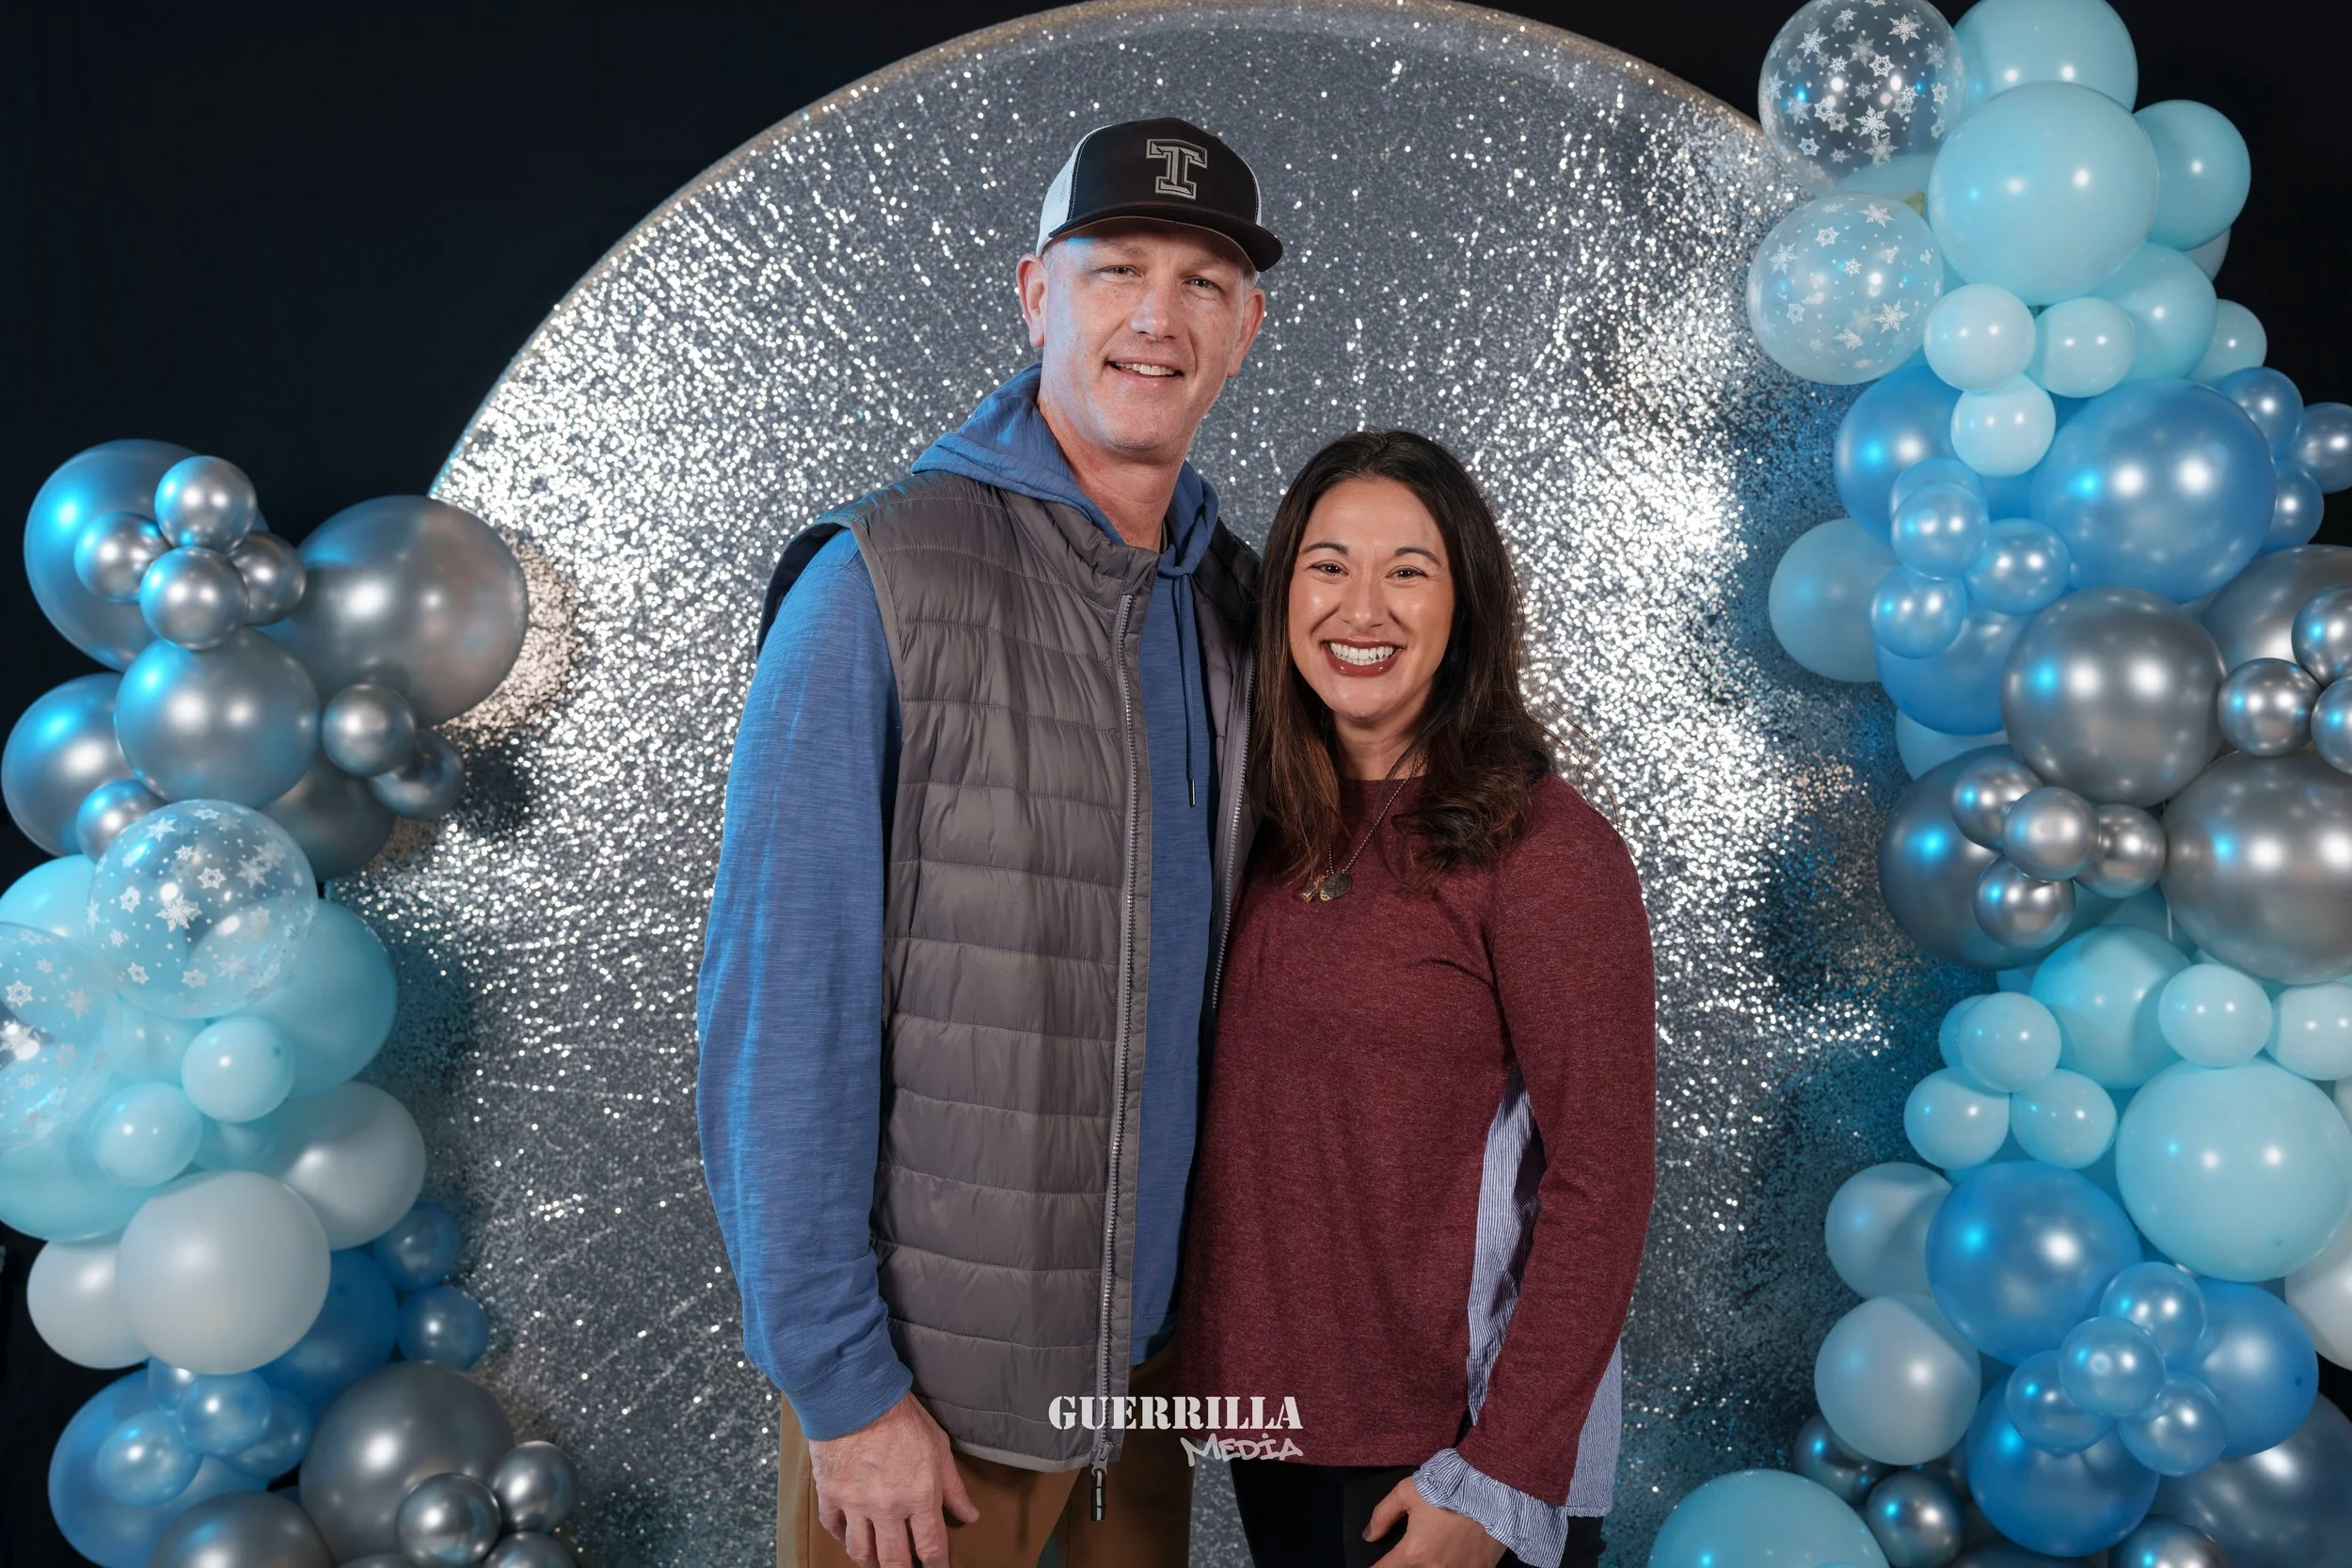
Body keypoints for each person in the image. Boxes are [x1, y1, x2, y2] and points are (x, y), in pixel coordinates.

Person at [694, 116, 1281, 1568]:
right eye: (1118, 270)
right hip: (924, 1422)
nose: (1159, 316)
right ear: (1036, 294)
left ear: (1248, 325)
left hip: (1138, 1402)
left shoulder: (1237, 603)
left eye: (1205, 282)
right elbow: (781, 1014)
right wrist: (843, 1389)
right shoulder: (877, 575)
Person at [1180, 430, 1657, 1568]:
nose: (1363, 607)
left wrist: (1496, 1476)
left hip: (1443, 1454)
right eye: (1329, 564)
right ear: (1285, 588)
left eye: (1409, 570)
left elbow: (1604, 1178)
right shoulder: (1258, 824)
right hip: (1281, 1429)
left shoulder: (1545, 850)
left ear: (1466, 609)